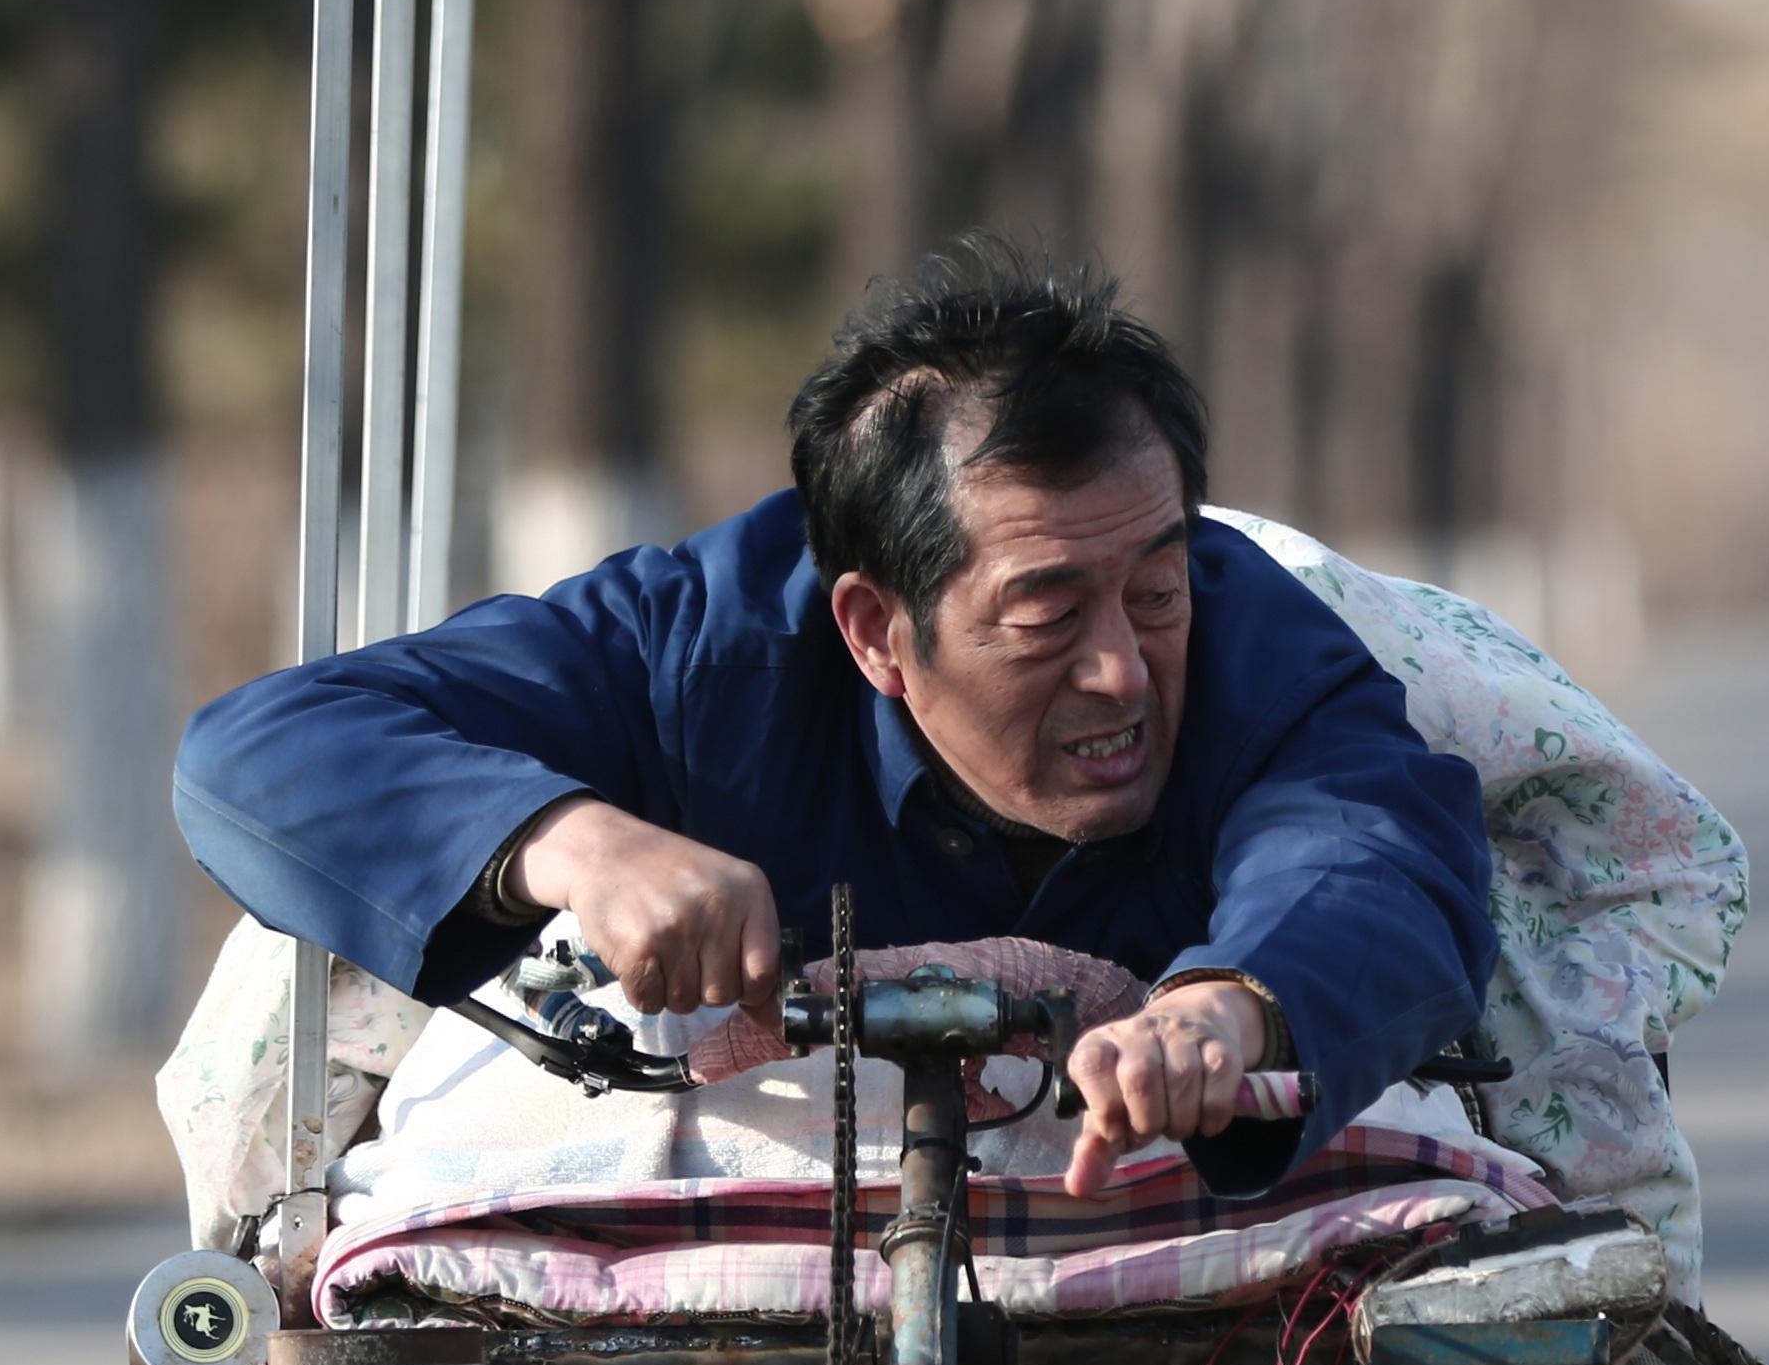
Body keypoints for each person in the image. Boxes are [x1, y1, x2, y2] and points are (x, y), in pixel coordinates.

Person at [172, 245, 1497, 1212]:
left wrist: (1232, 1012)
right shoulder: (701, 647)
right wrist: (579, 848)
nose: (1122, 672)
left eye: (1151, 591)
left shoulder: (1254, 639)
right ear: (872, 629)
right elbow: (263, 749)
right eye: (1044, 613)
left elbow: (1371, 853)